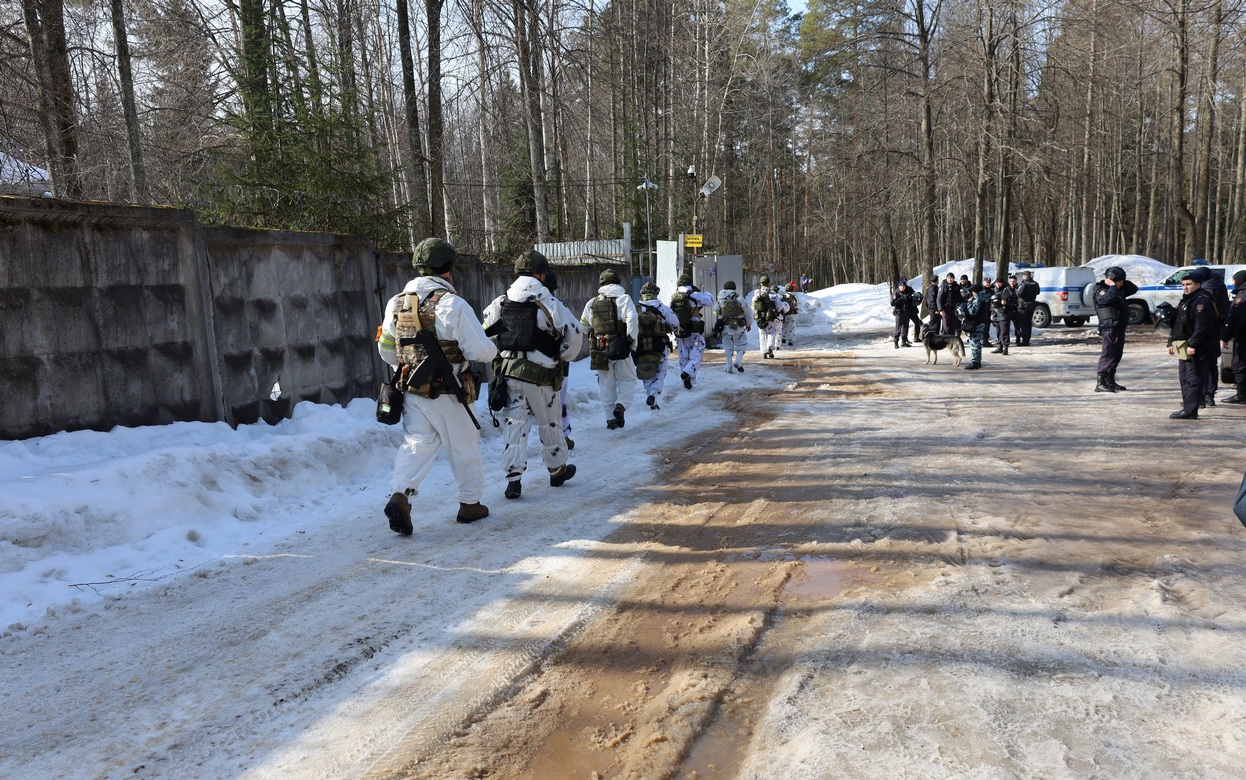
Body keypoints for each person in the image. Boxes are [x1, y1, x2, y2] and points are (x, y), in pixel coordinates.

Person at [377, 237, 498, 532]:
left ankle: (400, 495)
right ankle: (470, 504)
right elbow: (481, 352)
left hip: (413, 390)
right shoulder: (453, 304)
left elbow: (386, 349)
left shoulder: (397, 302)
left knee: (416, 443)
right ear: (448, 267)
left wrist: (407, 364)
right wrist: (490, 343)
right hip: (450, 391)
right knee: (463, 447)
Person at [481, 250, 582, 501]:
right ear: (541, 274)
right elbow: (574, 338)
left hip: (509, 376)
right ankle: (556, 470)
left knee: (514, 425)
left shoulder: (500, 303)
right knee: (549, 423)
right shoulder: (551, 305)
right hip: (541, 378)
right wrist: (560, 355)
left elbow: (484, 333)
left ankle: (513, 481)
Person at [581, 268, 638, 430]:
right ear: (618, 282)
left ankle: (610, 419)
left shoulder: (592, 302)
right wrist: (631, 341)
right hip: (621, 346)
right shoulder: (625, 299)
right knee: (627, 379)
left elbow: (584, 325)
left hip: (600, 348)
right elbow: (633, 318)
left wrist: (594, 334)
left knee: (606, 384)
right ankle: (621, 406)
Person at [1166, 267, 1219, 419]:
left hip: (1197, 348)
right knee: (1184, 378)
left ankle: (1191, 410)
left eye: (1189, 284)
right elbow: (1178, 325)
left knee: (1193, 378)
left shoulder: (1201, 301)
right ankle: (1187, 406)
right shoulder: (1185, 301)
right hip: (1183, 346)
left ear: (1198, 285)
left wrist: (1193, 345)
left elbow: (1202, 327)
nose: (1185, 287)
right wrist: (1171, 343)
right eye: (1183, 284)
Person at [1092, 265, 1139, 393]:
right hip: (1109, 327)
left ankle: (1110, 380)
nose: (1121, 284)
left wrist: (1120, 280)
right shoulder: (1100, 289)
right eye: (1120, 282)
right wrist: (1112, 284)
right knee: (1108, 354)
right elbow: (1108, 298)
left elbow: (1134, 289)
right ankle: (1101, 382)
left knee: (1116, 355)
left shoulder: (1118, 289)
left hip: (1118, 326)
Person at [635, 281, 680, 409]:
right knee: (660, 370)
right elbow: (675, 325)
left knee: (645, 370)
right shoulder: (663, 308)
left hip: (641, 345)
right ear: (656, 294)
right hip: (659, 345)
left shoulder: (636, 309)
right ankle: (654, 394)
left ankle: (650, 395)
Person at [670, 273, 715, 388]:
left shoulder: (674, 296)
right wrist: (697, 293)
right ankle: (688, 373)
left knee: (683, 355)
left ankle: (687, 379)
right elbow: (710, 301)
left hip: (680, 330)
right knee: (697, 353)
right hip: (694, 329)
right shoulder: (694, 294)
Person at [714, 280, 753, 372]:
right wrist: (749, 323)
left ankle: (729, 367)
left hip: (726, 325)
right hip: (739, 325)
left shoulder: (720, 298)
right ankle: (738, 361)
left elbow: (715, 311)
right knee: (741, 343)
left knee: (728, 346)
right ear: (734, 288)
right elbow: (748, 312)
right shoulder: (739, 298)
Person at [1221, 269, 1246, 404]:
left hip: (1243, 337)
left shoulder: (1241, 298)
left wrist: (1226, 337)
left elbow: (1235, 320)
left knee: (1239, 365)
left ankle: (1241, 395)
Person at [753, 275, 787, 358]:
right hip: (771, 317)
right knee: (771, 333)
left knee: (762, 334)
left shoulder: (757, 294)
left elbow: (753, 306)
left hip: (761, 318)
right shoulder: (773, 293)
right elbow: (780, 306)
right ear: (768, 283)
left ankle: (764, 351)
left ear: (761, 283)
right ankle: (770, 348)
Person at [961, 283, 991, 370]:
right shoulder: (986, 296)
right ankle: (977, 361)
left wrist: (969, 303)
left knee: (974, 342)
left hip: (976, 322)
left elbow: (972, 311)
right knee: (977, 342)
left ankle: (975, 362)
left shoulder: (977, 298)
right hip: (982, 321)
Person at [990, 277, 1016, 354]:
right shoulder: (994, 291)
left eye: (1000, 283)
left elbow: (1014, 302)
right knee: (998, 331)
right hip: (996, 313)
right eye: (997, 283)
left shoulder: (1007, 290)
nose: (998, 284)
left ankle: (1005, 347)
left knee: (1004, 331)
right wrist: (992, 313)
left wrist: (1006, 303)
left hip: (1004, 313)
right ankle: (1000, 346)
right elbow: (992, 304)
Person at [1014, 270, 1040, 346]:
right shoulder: (1035, 283)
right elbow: (1038, 292)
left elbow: (1018, 294)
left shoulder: (1024, 284)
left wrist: (1016, 289)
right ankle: (1027, 339)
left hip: (1023, 306)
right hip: (1031, 305)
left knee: (1023, 324)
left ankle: (1024, 340)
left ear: (1025, 276)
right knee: (1028, 323)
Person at [891, 279, 919, 348]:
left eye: (903, 286)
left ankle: (904, 341)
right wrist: (900, 299)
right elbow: (892, 303)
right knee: (898, 328)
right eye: (901, 286)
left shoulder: (908, 292)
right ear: (899, 286)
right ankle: (896, 341)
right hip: (899, 312)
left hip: (907, 312)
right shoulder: (896, 293)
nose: (902, 287)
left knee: (905, 328)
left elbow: (912, 300)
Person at [781, 282, 800, 348]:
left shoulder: (783, 296)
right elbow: (797, 304)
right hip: (792, 314)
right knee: (792, 327)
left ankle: (783, 338)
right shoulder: (794, 296)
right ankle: (791, 340)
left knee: (784, 326)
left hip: (785, 313)